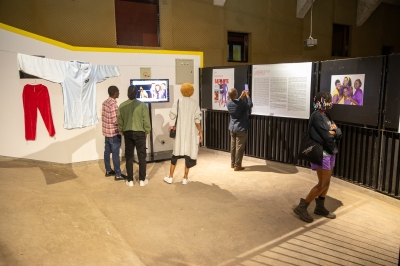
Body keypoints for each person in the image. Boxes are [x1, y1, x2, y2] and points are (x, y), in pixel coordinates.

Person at [294, 92, 342, 223]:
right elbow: (327, 136)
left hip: (330, 151)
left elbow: (338, 132)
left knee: (326, 182)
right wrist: (332, 132)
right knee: (323, 183)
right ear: (322, 101)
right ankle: (302, 207)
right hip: (322, 153)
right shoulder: (316, 116)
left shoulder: (327, 116)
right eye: (328, 101)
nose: (330, 103)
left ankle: (320, 207)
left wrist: (334, 131)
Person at [164, 83, 202, 185]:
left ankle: (170, 177)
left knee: (175, 154)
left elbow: (172, 116)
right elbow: (197, 121)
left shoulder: (178, 102)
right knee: (188, 154)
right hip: (190, 133)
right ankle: (185, 178)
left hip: (180, 133)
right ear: (192, 91)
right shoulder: (195, 104)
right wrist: (201, 132)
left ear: (182, 91)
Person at [118, 85, 151, 187]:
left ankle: (130, 180)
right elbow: (146, 121)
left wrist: (123, 130)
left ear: (127, 93)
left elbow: (120, 121)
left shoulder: (122, 105)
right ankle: (142, 180)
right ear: (137, 93)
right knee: (142, 156)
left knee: (129, 157)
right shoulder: (142, 105)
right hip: (140, 133)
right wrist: (146, 131)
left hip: (127, 133)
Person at [102, 86, 126, 181]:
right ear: (114, 92)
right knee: (116, 154)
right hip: (114, 133)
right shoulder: (114, 105)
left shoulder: (104, 103)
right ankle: (118, 174)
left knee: (107, 152)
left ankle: (108, 170)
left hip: (106, 133)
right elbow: (115, 120)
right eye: (118, 91)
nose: (119, 93)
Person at [227, 88, 253, 171]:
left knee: (233, 146)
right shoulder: (240, 104)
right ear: (235, 95)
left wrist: (241, 96)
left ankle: (232, 163)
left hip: (232, 127)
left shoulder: (228, 103)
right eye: (237, 93)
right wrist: (248, 96)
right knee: (239, 147)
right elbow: (250, 105)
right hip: (240, 128)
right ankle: (237, 165)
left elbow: (236, 103)